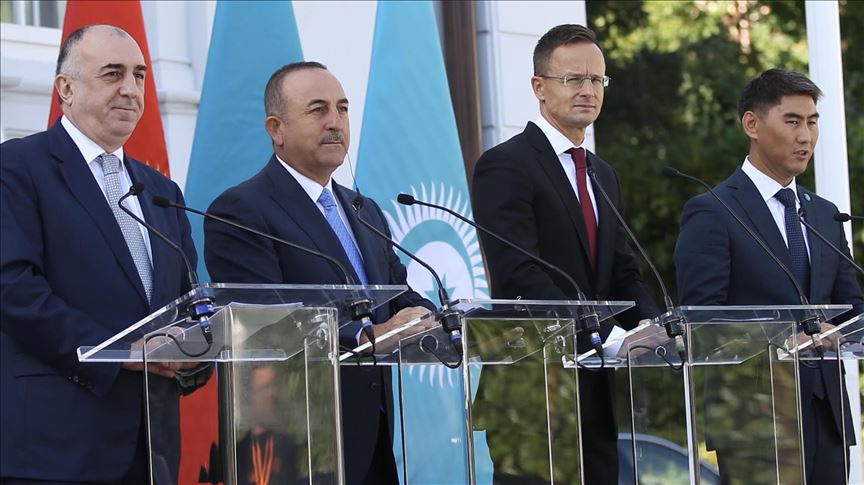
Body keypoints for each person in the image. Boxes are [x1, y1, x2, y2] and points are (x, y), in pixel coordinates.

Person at [203, 61, 435, 485]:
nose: (335, 122)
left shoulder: (365, 210)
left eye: (342, 109)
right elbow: (266, 322)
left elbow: (396, 292)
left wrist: (446, 322)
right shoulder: (240, 211)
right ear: (276, 129)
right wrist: (366, 337)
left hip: (373, 438)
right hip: (297, 444)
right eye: (318, 110)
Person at [0, 25, 204, 483]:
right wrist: (117, 351)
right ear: (66, 89)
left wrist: (198, 349)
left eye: (139, 75)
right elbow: (12, 287)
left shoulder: (161, 191)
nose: (130, 89)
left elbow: (186, 301)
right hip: (56, 449)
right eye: (113, 74)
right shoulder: (18, 167)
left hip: (151, 450)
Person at [471, 24, 660, 485]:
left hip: (595, 394)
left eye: (597, 79)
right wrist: (607, 336)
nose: (588, 90)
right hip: (532, 393)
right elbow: (520, 274)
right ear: (539, 87)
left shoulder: (601, 173)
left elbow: (621, 269)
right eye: (573, 79)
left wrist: (653, 326)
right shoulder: (506, 164)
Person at [674, 68, 863, 485]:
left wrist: (844, 329)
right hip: (752, 419)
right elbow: (702, 321)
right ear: (752, 124)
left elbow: (852, 309)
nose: (805, 137)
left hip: (827, 415)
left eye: (812, 122)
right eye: (792, 121)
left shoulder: (824, 215)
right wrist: (783, 338)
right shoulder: (713, 211)